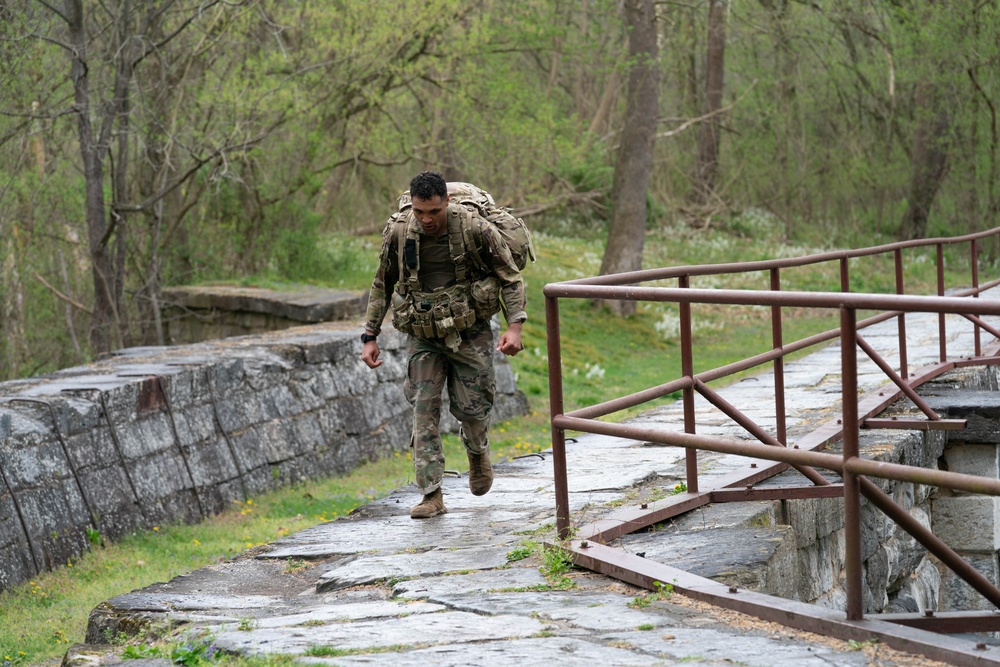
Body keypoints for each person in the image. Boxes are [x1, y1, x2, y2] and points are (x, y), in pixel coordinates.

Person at [360, 171, 527, 519]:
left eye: (433, 212)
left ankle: (478, 452)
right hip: (423, 336)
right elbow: (382, 282)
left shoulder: (474, 229)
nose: (426, 220)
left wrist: (514, 328)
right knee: (423, 411)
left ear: (446, 202)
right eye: (420, 211)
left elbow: (510, 278)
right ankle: (431, 494)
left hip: (470, 331)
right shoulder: (400, 231)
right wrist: (370, 335)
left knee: (473, 409)